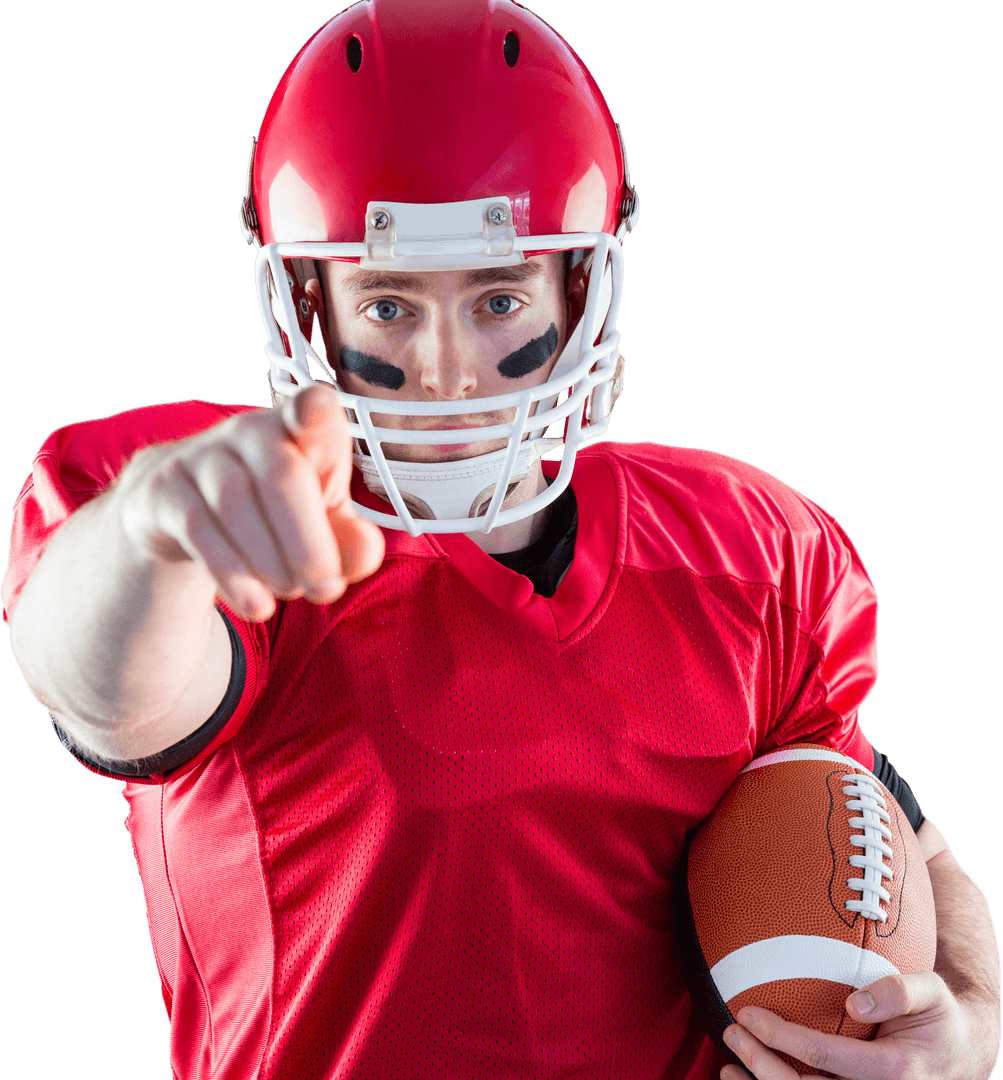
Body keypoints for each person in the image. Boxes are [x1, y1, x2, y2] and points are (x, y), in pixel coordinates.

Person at [2, 1, 999, 1078]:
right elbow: (101, 688)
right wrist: (152, 527)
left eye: (496, 298)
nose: (445, 372)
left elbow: (884, 823)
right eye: (388, 305)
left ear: (577, 290)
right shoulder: (249, 530)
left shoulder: (750, 553)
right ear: (309, 304)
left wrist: (969, 1018)